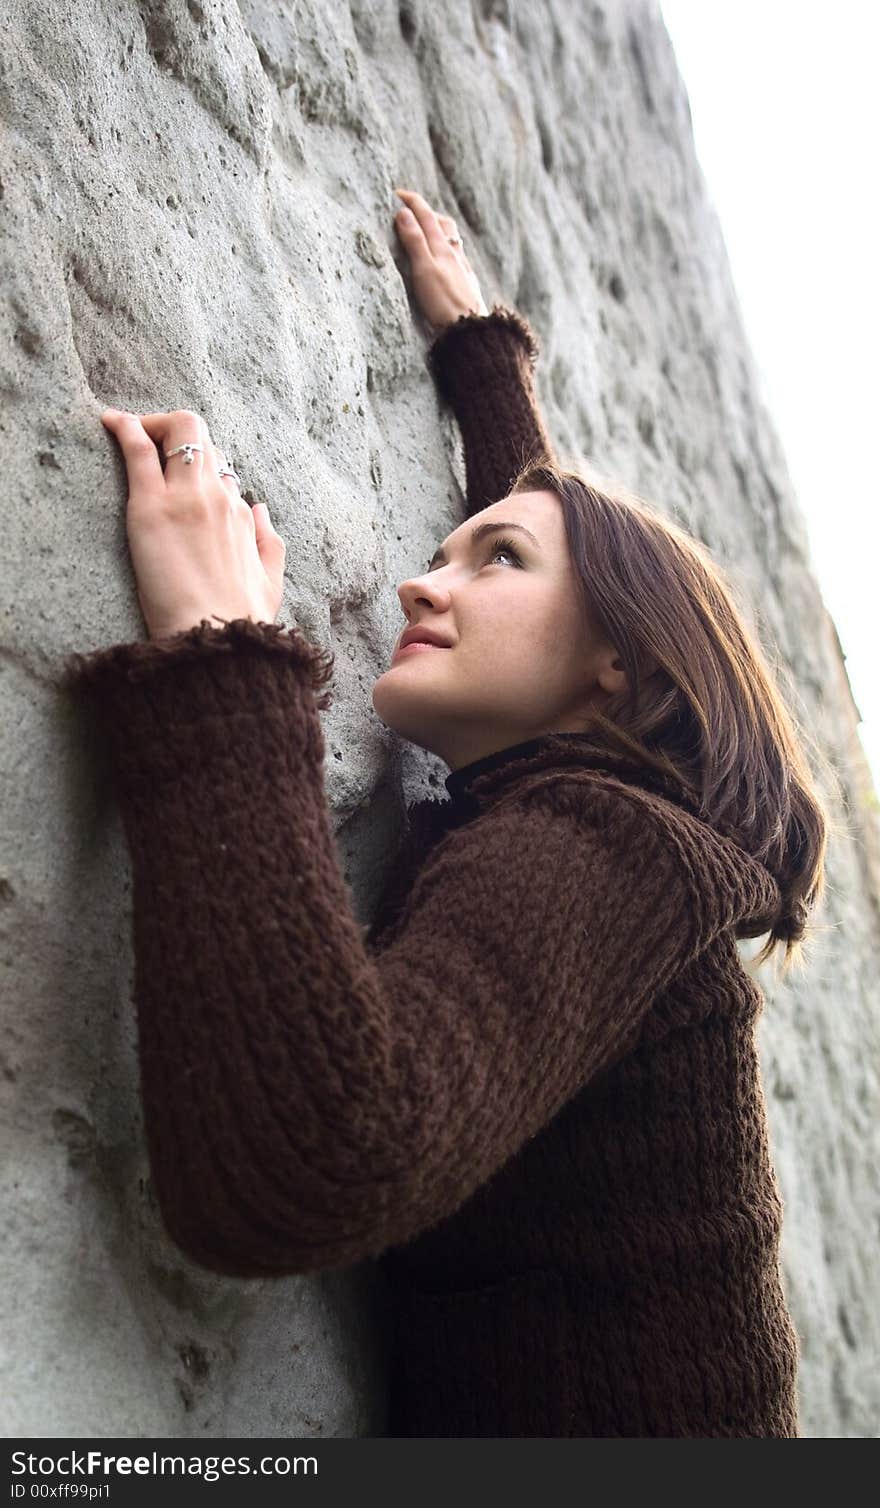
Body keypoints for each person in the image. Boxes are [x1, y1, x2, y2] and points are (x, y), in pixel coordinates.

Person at [62, 188, 832, 1438]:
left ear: (619, 669)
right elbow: (572, 567)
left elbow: (310, 1165)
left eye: (493, 559)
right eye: (448, 545)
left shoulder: (613, 845)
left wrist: (220, 653)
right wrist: (477, 351)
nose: (425, 575)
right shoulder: (580, 799)